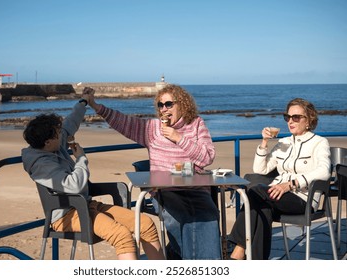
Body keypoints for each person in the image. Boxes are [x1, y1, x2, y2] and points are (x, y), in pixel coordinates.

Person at [21, 88, 164, 260]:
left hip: (86, 205)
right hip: (66, 215)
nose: (63, 136)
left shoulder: (53, 144)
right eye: (58, 134)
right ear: (48, 141)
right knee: (122, 236)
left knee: (145, 224)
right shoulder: (41, 164)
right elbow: (73, 186)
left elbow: (70, 124)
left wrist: (84, 102)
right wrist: (81, 158)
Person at [83, 84, 221, 260]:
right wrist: (95, 105)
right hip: (164, 191)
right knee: (190, 218)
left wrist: (179, 138)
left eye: (169, 104)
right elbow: (122, 121)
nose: (164, 109)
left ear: (182, 104)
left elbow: (207, 158)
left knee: (208, 215)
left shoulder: (196, 124)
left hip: (195, 189)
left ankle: (183, 259)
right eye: (160, 105)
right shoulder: (152, 129)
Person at [229, 98, 331, 260]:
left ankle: (237, 250)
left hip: (303, 198)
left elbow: (324, 171)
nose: (290, 121)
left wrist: (291, 184)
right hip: (274, 196)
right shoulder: (283, 142)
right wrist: (264, 142)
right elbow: (260, 169)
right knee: (262, 210)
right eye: (287, 117)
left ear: (309, 120)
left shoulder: (319, 143)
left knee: (255, 192)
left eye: (296, 117)